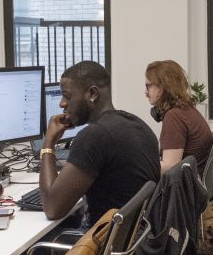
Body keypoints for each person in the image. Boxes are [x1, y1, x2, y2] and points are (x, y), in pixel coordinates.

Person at [39, 61, 160, 223]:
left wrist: (48, 142)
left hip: (103, 243)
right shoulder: (137, 123)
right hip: (136, 238)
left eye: (67, 96)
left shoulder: (94, 136)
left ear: (92, 94)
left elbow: (52, 209)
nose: (62, 103)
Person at [145, 60, 213, 175]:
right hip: (194, 182)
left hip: (184, 188)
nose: (145, 92)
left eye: (148, 86)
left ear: (162, 87)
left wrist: (138, 164)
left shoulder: (174, 117)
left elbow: (169, 166)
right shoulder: (187, 110)